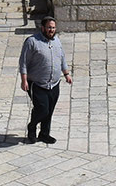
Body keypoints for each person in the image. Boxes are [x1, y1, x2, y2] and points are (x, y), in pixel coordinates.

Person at [18, 15, 72, 144]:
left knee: (50, 110)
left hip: (54, 83)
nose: (51, 30)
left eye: (53, 28)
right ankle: (32, 127)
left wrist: (66, 74)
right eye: (49, 27)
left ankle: (44, 134)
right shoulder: (32, 42)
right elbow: (23, 62)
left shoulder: (57, 41)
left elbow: (62, 58)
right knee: (42, 109)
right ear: (42, 28)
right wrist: (24, 80)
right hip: (37, 84)